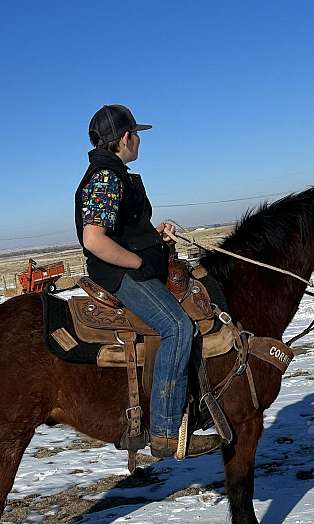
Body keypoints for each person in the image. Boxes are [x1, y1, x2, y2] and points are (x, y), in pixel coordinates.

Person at [74, 104, 220, 458]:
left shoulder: (115, 174)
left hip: (129, 264)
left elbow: (120, 230)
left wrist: (153, 238)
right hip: (119, 274)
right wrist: (140, 261)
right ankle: (166, 431)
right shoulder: (106, 177)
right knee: (178, 329)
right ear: (125, 138)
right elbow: (94, 239)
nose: (139, 140)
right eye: (136, 134)